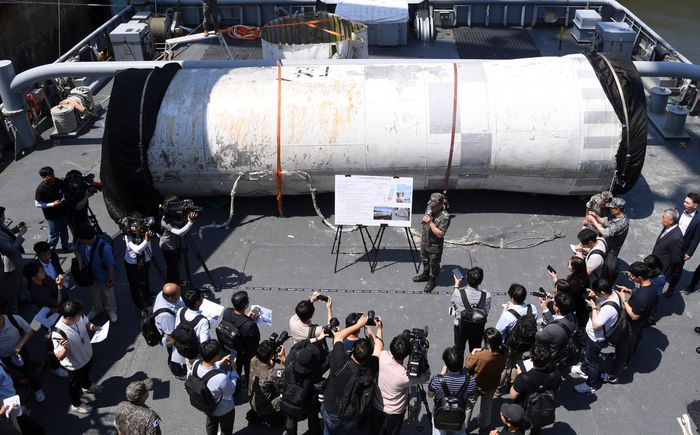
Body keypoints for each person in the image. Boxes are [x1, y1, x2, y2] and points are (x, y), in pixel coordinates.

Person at [321, 314, 382, 434]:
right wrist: (379, 329)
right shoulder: (370, 368)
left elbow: (338, 337)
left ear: (353, 350)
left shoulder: (339, 358)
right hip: (351, 411)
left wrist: (358, 325)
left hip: (331, 406)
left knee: (328, 430)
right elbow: (379, 347)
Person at [602, 262, 657, 384]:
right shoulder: (651, 285)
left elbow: (634, 315)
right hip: (640, 324)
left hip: (631, 325)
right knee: (630, 344)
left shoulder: (643, 296)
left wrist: (623, 300)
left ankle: (613, 376)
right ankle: (624, 360)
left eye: (632, 275)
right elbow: (642, 296)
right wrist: (629, 291)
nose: (629, 277)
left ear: (639, 277)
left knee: (623, 349)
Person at [369, 334, 431, 435]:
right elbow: (426, 376)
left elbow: (386, 350)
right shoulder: (405, 376)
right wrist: (424, 353)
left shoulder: (383, 356)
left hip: (377, 406)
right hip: (395, 413)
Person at [51, 299, 104, 414]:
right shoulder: (58, 333)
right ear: (69, 318)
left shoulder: (78, 315)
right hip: (75, 365)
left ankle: (87, 386)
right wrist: (65, 348)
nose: (81, 316)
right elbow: (59, 356)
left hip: (87, 355)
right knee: (74, 386)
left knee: (86, 374)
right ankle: (76, 404)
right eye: (78, 315)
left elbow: (87, 323)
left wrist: (93, 327)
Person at [570, 279, 620, 394]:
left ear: (602, 292)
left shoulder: (609, 309)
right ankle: (583, 369)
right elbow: (601, 303)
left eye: (597, 292)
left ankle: (591, 385)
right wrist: (596, 298)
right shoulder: (612, 294)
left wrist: (593, 307)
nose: (595, 294)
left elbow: (596, 325)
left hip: (596, 338)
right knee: (588, 356)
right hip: (592, 335)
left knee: (592, 362)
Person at [283, 330, 330, 435]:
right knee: (313, 418)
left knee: (291, 420)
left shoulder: (290, 361)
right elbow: (328, 361)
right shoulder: (315, 371)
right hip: (308, 401)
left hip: (290, 399)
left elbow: (298, 345)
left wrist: (315, 339)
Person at [494, 284, 538, 393]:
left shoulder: (508, 314)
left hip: (508, 345)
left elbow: (498, 331)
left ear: (512, 298)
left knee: (503, 367)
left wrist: (505, 311)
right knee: (515, 364)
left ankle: (498, 389)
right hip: (524, 343)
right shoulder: (532, 308)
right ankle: (513, 386)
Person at [509, 343, 561, 433]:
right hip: (542, 407)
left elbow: (513, 395)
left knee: (520, 428)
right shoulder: (555, 374)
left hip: (524, 409)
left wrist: (516, 379)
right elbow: (557, 389)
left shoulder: (523, 377)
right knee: (536, 426)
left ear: (531, 359)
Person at [465, 328, 507, 434]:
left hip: (475, 385)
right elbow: (502, 368)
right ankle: (484, 427)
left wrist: (472, 353)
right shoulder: (502, 354)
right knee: (487, 407)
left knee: (469, 407)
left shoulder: (479, 355)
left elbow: (467, 366)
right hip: (491, 385)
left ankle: (464, 427)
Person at [427, 346, 476, 435]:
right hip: (459, 412)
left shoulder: (437, 380)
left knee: (438, 431)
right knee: (459, 431)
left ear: (446, 364)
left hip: (441, 411)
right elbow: (472, 397)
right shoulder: (471, 380)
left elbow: (430, 395)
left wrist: (441, 375)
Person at [74, 223, 117, 322]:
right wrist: (80, 264)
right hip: (90, 275)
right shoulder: (80, 242)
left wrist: (110, 279)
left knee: (108, 293)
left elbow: (110, 266)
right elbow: (77, 251)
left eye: (79, 238)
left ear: (85, 238)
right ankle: (97, 309)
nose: (78, 240)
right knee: (94, 293)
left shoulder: (105, 248)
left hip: (103, 275)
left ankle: (111, 310)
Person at [194, 339, 238, 435]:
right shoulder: (220, 378)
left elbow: (208, 369)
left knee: (211, 424)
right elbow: (231, 390)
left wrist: (220, 362)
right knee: (226, 429)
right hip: (223, 409)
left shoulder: (196, 364)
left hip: (207, 405)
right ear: (216, 356)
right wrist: (234, 370)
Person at [0, 313, 46, 402]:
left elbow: (29, 330)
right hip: (3, 358)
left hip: (20, 353)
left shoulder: (14, 319)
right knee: (9, 377)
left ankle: (37, 390)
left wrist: (20, 345)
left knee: (29, 373)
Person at [221, 290, 260, 388]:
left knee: (235, 368)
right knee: (248, 368)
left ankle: (236, 386)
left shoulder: (227, 312)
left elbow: (235, 321)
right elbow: (255, 341)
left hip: (232, 349)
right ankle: (249, 383)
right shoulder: (250, 325)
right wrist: (251, 321)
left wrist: (246, 318)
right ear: (246, 305)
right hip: (245, 352)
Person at [413, 192, 451, 293]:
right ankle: (425, 274)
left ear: (439, 205)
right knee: (424, 259)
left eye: (433, 205)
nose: (431, 207)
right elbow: (424, 224)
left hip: (435, 246)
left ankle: (432, 280)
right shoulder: (429, 208)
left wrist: (430, 222)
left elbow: (440, 234)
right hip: (425, 241)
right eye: (430, 204)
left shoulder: (445, 216)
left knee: (434, 264)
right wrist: (423, 236)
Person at [452, 266, 492, 359]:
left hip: (460, 326)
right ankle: (472, 368)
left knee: (459, 349)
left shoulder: (457, 293)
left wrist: (456, 285)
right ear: (480, 281)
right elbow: (486, 312)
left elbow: (454, 304)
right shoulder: (486, 295)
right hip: (477, 327)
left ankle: (458, 368)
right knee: (475, 350)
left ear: (466, 277)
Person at [159, 195, 198, 284]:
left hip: (176, 244)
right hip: (168, 248)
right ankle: (171, 284)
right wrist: (190, 222)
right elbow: (180, 232)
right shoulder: (165, 220)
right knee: (172, 267)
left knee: (177, 264)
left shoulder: (175, 214)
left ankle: (177, 281)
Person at [152, 283, 186, 379]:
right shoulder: (165, 315)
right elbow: (171, 333)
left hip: (174, 327)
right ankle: (178, 372)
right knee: (174, 355)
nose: (180, 294)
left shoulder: (162, 294)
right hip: (170, 338)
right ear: (171, 298)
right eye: (178, 293)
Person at [247, 339, 285, 425]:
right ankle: (276, 416)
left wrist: (272, 356)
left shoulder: (253, 360)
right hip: (264, 407)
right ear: (271, 357)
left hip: (252, 398)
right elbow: (289, 371)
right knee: (287, 394)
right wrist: (283, 358)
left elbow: (266, 364)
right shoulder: (270, 374)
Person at [123, 213, 156, 311]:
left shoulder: (146, 230)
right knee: (134, 284)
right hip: (132, 263)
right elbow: (137, 250)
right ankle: (138, 302)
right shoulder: (127, 234)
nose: (137, 228)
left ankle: (146, 295)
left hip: (145, 260)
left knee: (145, 278)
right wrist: (146, 240)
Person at [35, 166, 71, 251]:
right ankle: (50, 250)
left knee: (64, 230)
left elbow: (65, 189)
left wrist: (64, 196)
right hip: (52, 216)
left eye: (53, 174)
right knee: (54, 234)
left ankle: (65, 246)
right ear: (44, 177)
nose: (53, 176)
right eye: (50, 175)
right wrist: (52, 204)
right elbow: (38, 204)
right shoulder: (41, 189)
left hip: (62, 212)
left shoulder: (57, 181)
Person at [175, 287, 210, 373]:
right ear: (198, 302)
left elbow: (176, 327)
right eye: (201, 296)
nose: (202, 297)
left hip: (185, 347)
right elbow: (204, 343)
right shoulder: (202, 321)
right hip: (196, 351)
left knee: (190, 367)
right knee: (199, 371)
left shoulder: (181, 311)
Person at [651, 208, 684, 297]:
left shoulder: (676, 238)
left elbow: (675, 260)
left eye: (663, 218)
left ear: (671, 221)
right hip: (654, 265)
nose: (661, 219)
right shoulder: (668, 227)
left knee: (654, 292)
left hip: (661, 270)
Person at [0, 205, 27, 313]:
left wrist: (16, 228)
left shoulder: (1, 226)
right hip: (11, 264)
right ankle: (13, 310)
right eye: (2, 217)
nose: (4, 219)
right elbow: (11, 249)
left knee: (19, 281)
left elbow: (8, 233)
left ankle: (21, 299)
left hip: (16, 261)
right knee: (12, 289)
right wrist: (20, 234)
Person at [63, 169, 97, 242]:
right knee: (78, 238)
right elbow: (78, 207)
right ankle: (78, 250)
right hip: (74, 220)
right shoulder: (67, 193)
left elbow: (89, 186)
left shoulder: (81, 184)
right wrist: (87, 196)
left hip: (84, 216)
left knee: (87, 234)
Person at [676, 193, 700, 294]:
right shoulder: (679, 210)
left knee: (677, 269)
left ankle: (673, 286)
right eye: (684, 201)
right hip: (672, 241)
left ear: (695, 205)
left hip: (683, 246)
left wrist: (689, 252)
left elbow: (696, 237)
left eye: (687, 202)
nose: (684, 204)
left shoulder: (698, 220)